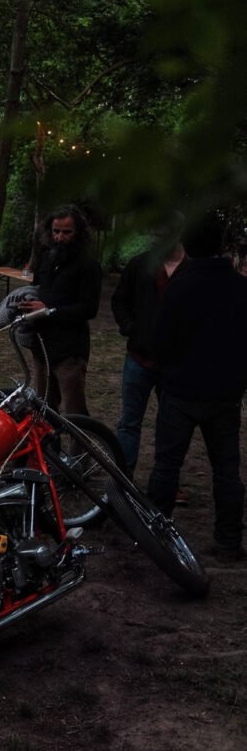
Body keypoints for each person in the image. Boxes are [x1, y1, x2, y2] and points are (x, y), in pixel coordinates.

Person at [147, 213, 247, 561]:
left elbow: (160, 341)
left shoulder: (181, 287)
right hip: (225, 393)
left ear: (188, 246)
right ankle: (229, 539)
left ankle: (158, 535)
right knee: (226, 470)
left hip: (181, 390)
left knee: (166, 466)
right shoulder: (240, 288)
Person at [111, 212, 187, 478]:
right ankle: (123, 478)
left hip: (176, 362)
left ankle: (166, 481)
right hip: (139, 358)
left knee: (171, 425)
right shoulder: (139, 265)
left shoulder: (191, 270)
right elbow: (119, 300)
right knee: (129, 422)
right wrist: (131, 327)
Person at [19, 204, 102, 415]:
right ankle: (49, 449)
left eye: (67, 232)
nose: (60, 237)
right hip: (42, 346)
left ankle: (80, 449)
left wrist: (49, 310)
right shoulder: (48, 257)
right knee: (44, 408)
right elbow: (37, 290)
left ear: (79, 233)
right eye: (56, 231)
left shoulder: (88, 265)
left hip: (69, 350)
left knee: (74, 412)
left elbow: (89, 308)